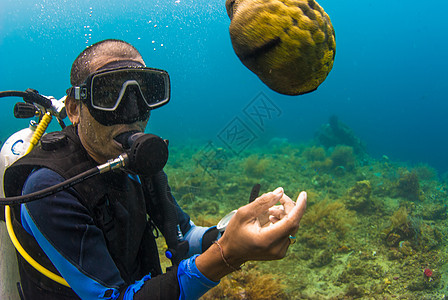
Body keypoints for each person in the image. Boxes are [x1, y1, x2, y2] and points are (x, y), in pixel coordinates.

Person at [3, 39, 307, 300]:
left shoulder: (137, 162)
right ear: (74, 109)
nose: (132, 112)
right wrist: (228, 255)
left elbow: (184, 235)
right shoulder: (48, 190)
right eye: (109, 94)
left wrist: (234, 230)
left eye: (146, 93)